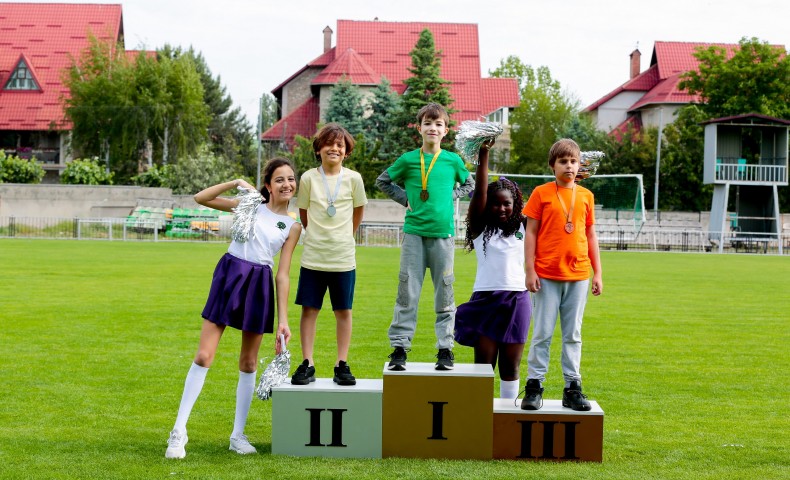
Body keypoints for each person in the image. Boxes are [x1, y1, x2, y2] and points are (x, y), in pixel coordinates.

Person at [165, 158, 301, 459]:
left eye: (291, 179)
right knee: (204, 355)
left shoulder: (293, 226)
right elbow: (201, 198)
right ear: (268, 185)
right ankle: (178, 432)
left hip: (260, 284)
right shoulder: (249, 205)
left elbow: (283, 273)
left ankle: (237, 435)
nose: (287, 184)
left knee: (249, 363)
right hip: (230, 275)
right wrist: (236, 182)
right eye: (279, 179)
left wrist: (284, 321)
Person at [376, 103, 474, 371]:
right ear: (419, 128)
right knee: (407, 291)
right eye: (428, 123)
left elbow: (470, 184)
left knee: (445, 291)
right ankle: (399, 348)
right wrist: (404, 198)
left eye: (439, 124)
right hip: (414, 235)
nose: (433, 128)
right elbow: (383, 181)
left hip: (443, 235)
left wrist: (450, 196)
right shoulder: (408, 159)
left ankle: (445, 349)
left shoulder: (453, 160)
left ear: (446, 130)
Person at [520, 138, 603, 412]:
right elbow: (530, 232)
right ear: (553, 166)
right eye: (563, 161)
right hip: (546, 275)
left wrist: (597, 272)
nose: (568, 166)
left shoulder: (586, 196)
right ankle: (534, 386)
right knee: (542, 333)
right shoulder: (541, 193)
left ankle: (572, 387)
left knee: (573, 334)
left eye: (573, 161)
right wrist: (529, 269)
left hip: (578, 275)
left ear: (580, 166)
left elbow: (590, 234)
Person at [290, 123, 367, 386]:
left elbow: (358, 212)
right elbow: (303, 213)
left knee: (343, 311)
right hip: (313, 257)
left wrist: (345, 235)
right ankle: (307, 363)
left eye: (340, 145)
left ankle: (341, 363)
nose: (334, 148)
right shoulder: (309, 178)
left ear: (346, 152)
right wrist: (318, 235)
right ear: (319, 149)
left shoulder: (354, 178)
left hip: (343, 258)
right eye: (329, 144)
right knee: (309, 310)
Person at [454, 141, 530, 399]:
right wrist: (484, 153)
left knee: (511, 366)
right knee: (484, 367)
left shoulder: (524, 227)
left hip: (517, 300)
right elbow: (478, 193)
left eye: (506, 203)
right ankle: (480, 418)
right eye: (496, 204)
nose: (501, 208)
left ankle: (508, 416)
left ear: (515, 203)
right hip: (486, 299)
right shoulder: (480, 229)